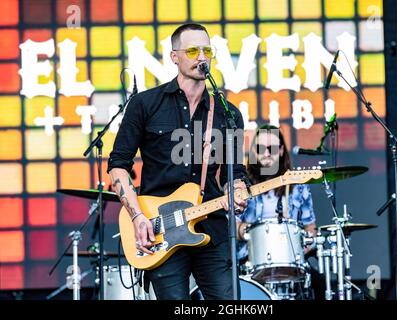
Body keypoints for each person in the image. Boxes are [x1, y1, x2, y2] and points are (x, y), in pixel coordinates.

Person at [107, 23, 248, 300]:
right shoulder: (146, 104)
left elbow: (234, 172)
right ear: (175, 57)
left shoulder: (227, 113)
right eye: (193, 50)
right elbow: (118, 165)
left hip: (212, 225)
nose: (201, 57)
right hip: (162, 227)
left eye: (207, 50)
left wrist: (238, 190)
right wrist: (137, 217)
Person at [236, 124, 317, 263]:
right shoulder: (242, 185)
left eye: (271, 148)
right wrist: (252, 232)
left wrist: (304, 246)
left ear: (280, 150)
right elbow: (232, 227)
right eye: (261, 149)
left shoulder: (298, 185)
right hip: (250, 261)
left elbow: (310, 226)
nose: (266, 154)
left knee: (319, 283)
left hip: (291, 259)